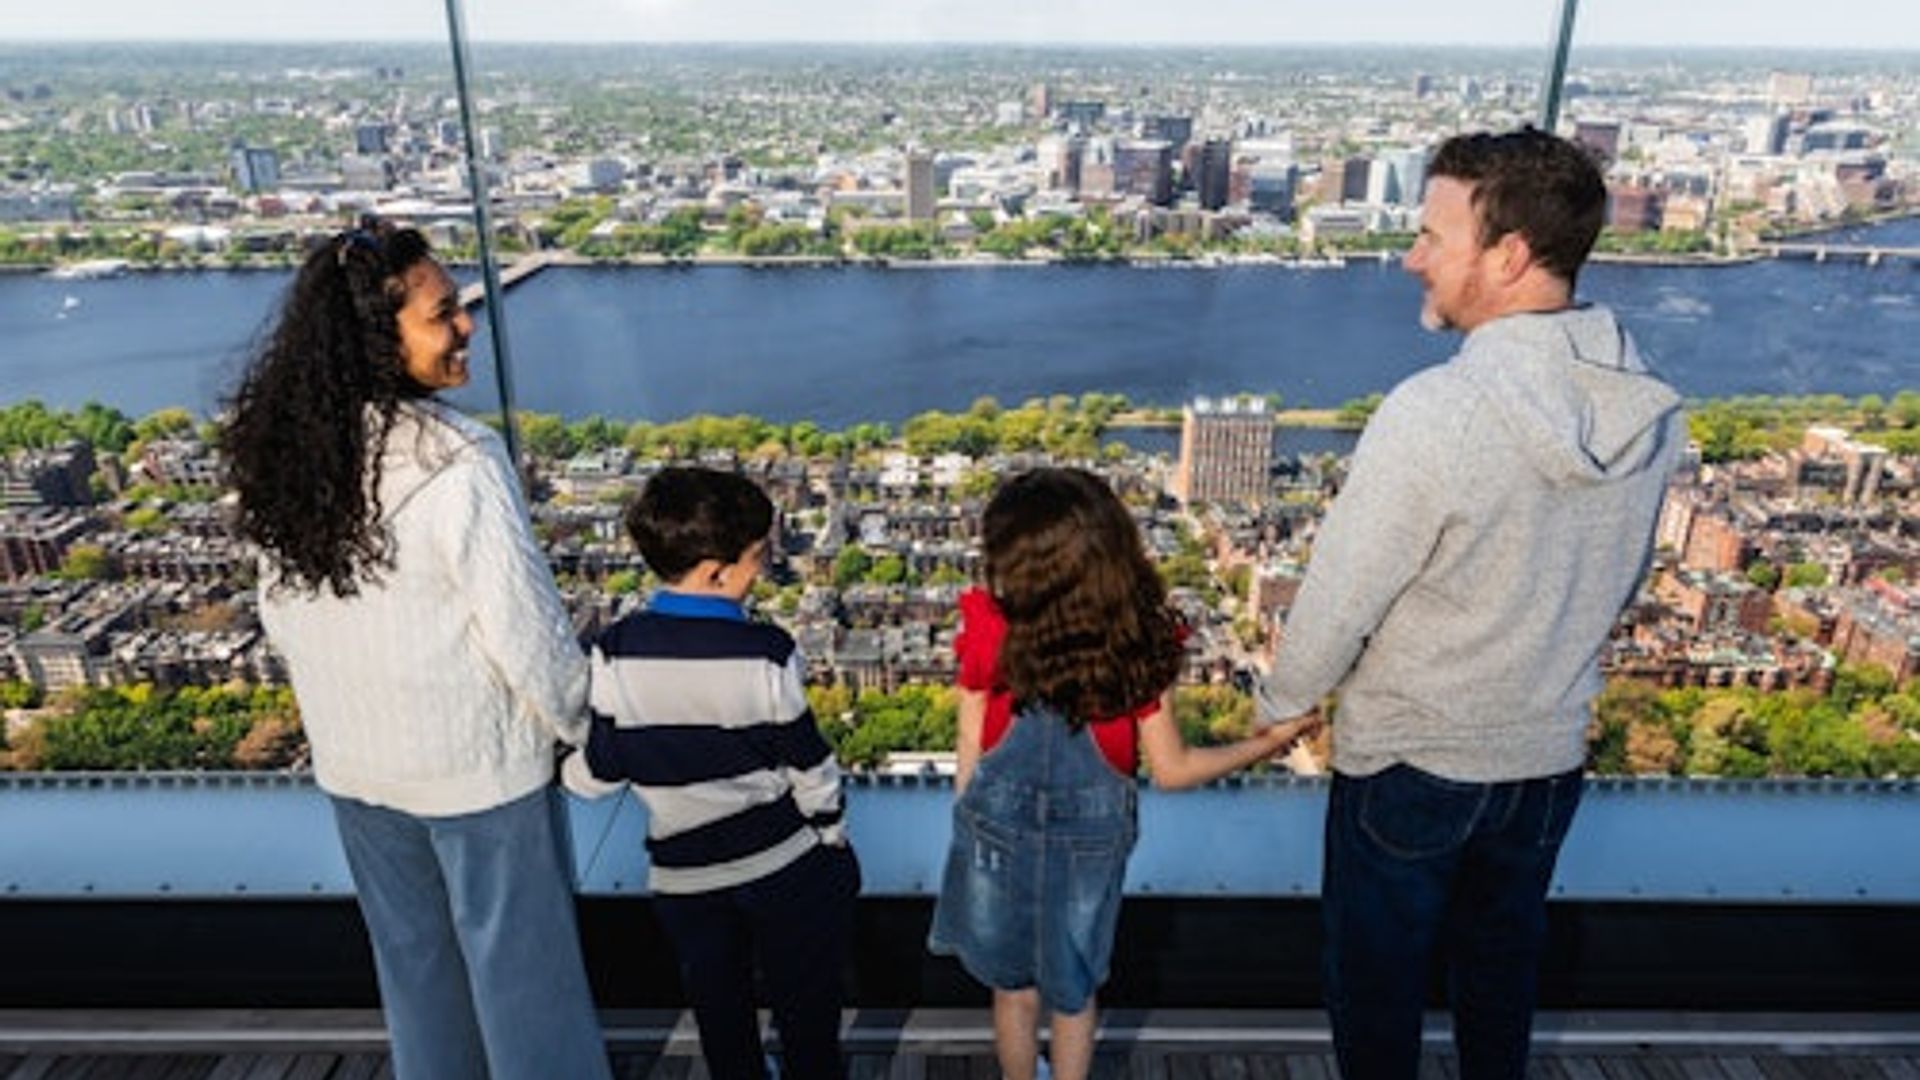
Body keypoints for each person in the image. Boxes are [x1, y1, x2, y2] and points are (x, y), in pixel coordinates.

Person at [1255, 128, 1684, 1080]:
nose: (1411, 257)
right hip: (1544, 758)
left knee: (1376, 994)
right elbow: (1619, 580)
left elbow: (1338, 598)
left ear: (1509, 256)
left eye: (1432, 237)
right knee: (1500, 983)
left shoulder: (1437, 412)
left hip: (1414, 760)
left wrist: (1276, 707)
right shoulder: (1653, 409)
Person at [223, 218, 611, 1080]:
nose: (467, 324)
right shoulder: (457, 460)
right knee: (526, 985)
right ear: (378, 336)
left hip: (360, 768)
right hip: (477, 773)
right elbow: (526, 632)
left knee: (417, 978)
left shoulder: (279, 458)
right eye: (443, 314)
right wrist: (580, 722)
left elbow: (279, 617)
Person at [929, 467, 1320, 1080]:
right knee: (1074, 993)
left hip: (993, 828)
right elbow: (1174, 769)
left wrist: (968, 817)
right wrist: (1264, 745)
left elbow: (971, 728)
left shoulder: (989, 624)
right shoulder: (1137, 640)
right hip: (1091, 841)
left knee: (1012, 992)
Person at [563, 466, 859, 1080]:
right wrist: (830, 833)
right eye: (758, 558)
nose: (764, 569)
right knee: (807, 1005)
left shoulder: (615, 649)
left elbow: (605, 765)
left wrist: (564, 774)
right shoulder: (766, 652)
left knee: (720, 1010)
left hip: (684, 876)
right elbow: (808, 762)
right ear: (717, 572)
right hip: (781, 864)